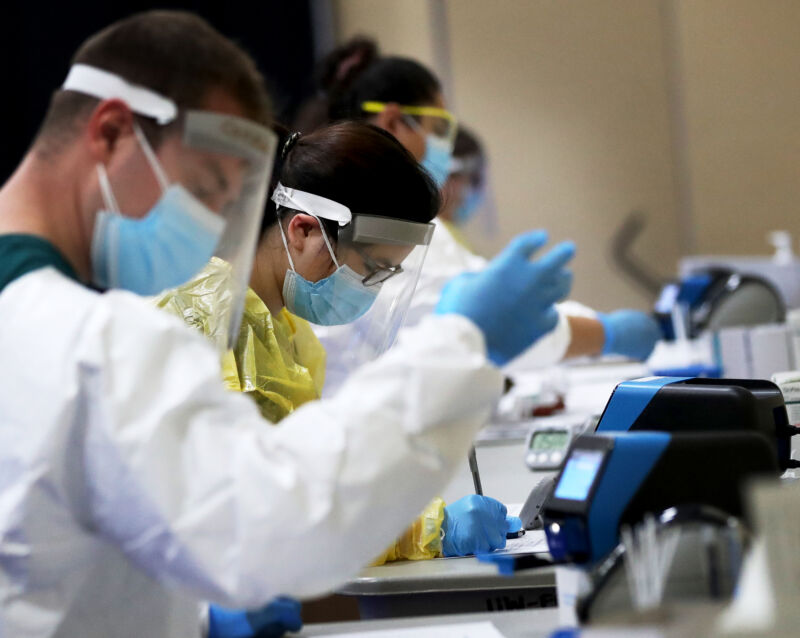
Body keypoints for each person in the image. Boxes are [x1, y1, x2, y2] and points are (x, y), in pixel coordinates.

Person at [0, 11, 574, 638]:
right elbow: (270, 527)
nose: (223, 225)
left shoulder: (52, 326)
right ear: (110, 132)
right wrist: (463, 345)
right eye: (208, 190)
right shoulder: (94, 342)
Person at [309, 39, 661, 384]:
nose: (445, 147)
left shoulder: (401, 217)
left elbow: (479, 295)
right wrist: (610, 334)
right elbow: (482, 329)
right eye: (440, 128)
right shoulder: (376, 222)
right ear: (393, 121)